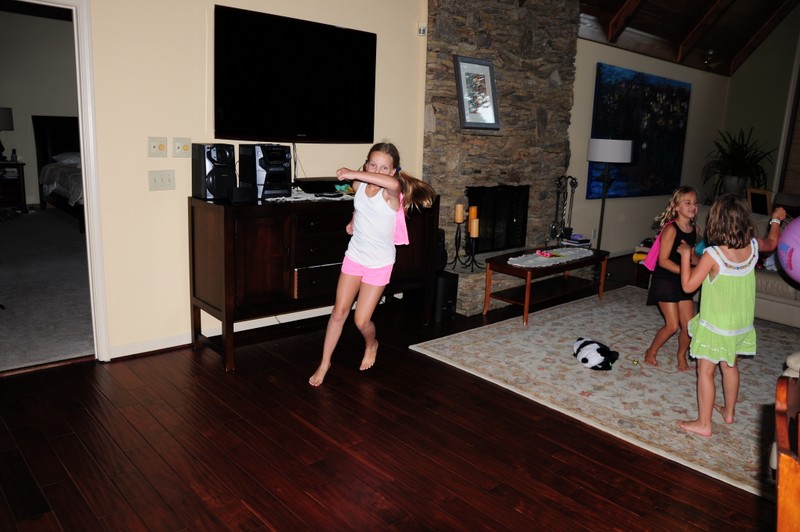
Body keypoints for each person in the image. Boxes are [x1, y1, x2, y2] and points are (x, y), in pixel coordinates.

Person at [309, 142, 436, 387]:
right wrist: (354, 219)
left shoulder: (391, 193)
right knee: (338, 313)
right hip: (355, 257)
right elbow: (361, 206)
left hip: (379, 264)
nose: (377, 171)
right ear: (366, 164)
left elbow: (392, 185)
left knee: (361, 321)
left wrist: (353, 172)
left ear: (393, 172)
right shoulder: (358, 186)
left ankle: (371, 343)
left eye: (384, 168)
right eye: (373, 165)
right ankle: (325, 363)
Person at [676, 194, 786, 437]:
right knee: (730, 365)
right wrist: (776, 220)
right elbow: (772, 242)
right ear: (745, 220)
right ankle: (729, 412)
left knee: (705, 371)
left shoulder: (713, 255)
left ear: (716, 222)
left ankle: (704, 424)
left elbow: (687, 286)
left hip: (716, 326)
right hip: (740, 324)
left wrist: (685, 256)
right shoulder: (753, 246)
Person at [643, 186, 700, 371]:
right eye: (688, 202)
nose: (693, 206)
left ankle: (681, 354)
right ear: (676, 206)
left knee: (689, 327)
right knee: (673, 325)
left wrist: (704, 266)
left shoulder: (695, 229)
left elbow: (692, 255)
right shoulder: (670, 229)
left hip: (683, 280)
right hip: (665, 279)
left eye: (695, 202)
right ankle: (651, 351)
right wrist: (686, 272)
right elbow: (664, 261)